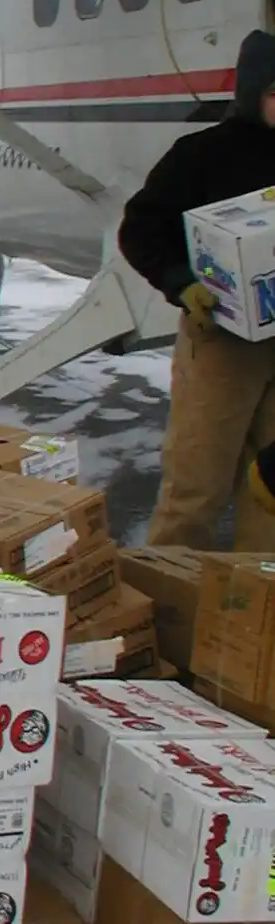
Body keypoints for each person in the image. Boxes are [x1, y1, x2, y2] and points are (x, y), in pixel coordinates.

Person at [118, 27, 275, 550]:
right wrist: (181, 283)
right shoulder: (203, 154)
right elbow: (141, 228)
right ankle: (169, 594)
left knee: (269, 496)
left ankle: (255, 598)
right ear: (252, 92)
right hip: (223, 342)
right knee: (196, 487)